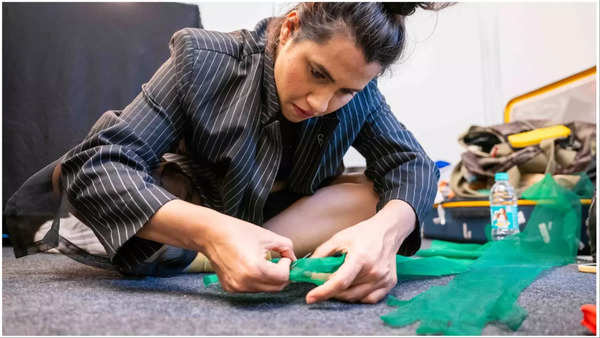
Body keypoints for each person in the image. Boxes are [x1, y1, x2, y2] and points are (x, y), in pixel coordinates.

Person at [7, 2, 443, 305]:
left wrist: (384, 234)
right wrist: (214, 234)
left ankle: (257, 249)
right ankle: (213, 251)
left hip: (279, 215)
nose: (320, 103)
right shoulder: (201, 57)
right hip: (195, 207)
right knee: (106, 188)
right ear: (289, 28)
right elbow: (97, 166)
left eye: (345, 91)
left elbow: (412, 165)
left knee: (376, 198)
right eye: (316, 73)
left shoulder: (361, 96)